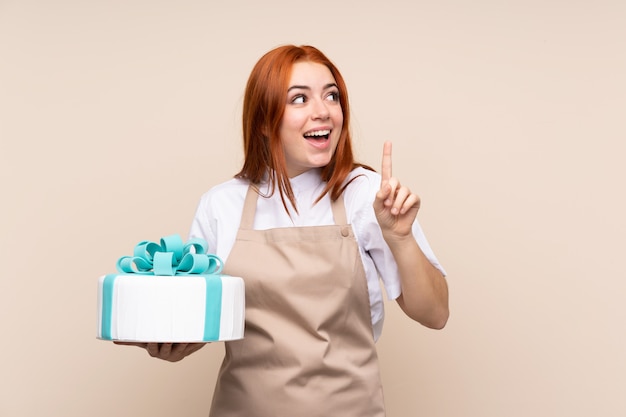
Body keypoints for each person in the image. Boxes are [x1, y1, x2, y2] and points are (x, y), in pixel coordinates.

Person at [118, 44, 449, 416]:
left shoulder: (368, 195)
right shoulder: (221, 205)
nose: (322, 111)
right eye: (299, 99)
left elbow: (435, 314)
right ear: (263, 119)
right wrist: (170, 341)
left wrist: (400, 237)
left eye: (331, 95)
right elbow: (202, 319)